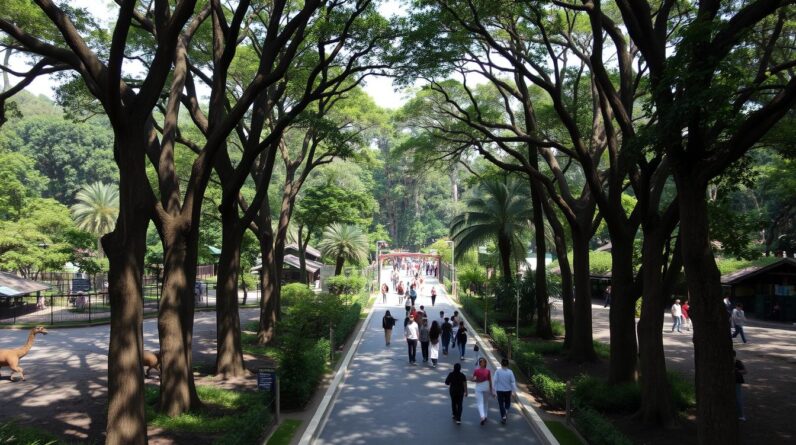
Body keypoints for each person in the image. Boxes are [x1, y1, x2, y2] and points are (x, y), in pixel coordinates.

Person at [494, 358, 517, 424]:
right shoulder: (510, 372)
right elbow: (513, 382)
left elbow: (495, 381)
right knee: (507, 402)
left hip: (499, 390)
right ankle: (506, 411)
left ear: (501, 364)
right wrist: (514, 391)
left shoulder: (498, 371)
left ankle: (503, 416)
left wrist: (494, 390)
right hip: (508, 390)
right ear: (508, 364)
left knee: (501, 404)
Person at [472, 357, 494, 425]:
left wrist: (472, 379)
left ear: (480, 363)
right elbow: (490, 380)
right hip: (486, 386)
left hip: (479, 387)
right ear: (485, 364)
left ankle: (482, 416)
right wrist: (491, 389)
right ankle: (485, 415)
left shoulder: (476, 370)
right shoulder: (488, 371)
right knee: (485, 402)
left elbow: (474, 379)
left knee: (480, 403)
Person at [734, 350, 747, 421]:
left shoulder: (737, 362)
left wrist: (737, 371)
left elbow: (745, 371)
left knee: (738, 398)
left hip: (737, 382)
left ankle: (741, 415)